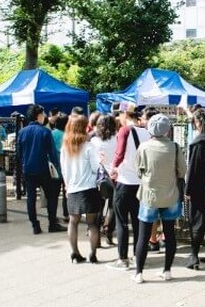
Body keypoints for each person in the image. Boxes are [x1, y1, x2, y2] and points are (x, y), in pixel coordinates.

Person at [131, 114, 187, 283]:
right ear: (167, 129)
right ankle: (167, 270)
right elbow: (182, 171)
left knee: (143, 235)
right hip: (170, 195)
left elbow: (138, 171)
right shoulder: (175, 147)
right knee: (169, 233)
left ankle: (139, 273)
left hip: (149, 195)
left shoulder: (144, 147)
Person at [108, 107, 150, 270]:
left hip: (125, 182)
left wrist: (113, 167)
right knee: (138, 221)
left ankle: (122, 259)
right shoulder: (146, 132)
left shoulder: (125, 130)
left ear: (125, 115)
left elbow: (119, 153)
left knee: (122, 222)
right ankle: (136, 256)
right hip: (140, 183)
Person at [17, 104, 67, 235]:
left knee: (31, 198)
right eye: (43, 114)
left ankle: (35, 225)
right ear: (39, 115)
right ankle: (52, 223)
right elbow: (52, 154)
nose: (45, 116)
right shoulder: (45, 132)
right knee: (52, 196)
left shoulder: (22, 132)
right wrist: (57, 168)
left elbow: (19, 153)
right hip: (43, 169)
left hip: (28, 169)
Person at [60, 114, 102, 263]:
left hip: (72, 188)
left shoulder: (65, 147)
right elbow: (96, 168)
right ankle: (92, 253)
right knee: (92, 223)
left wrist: (66, 186)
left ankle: (74, 253)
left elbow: (63, 169)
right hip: (89, 188)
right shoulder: (89, 147)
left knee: (73, 222)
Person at [184, 108, 205, 269]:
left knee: (197, 222)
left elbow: (193, 168)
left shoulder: (199, 142)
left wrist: (188, 191)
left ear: (198, 122)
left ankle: (193, 255)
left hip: (198, 188)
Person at [91, 114, 118, 247]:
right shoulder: (117, 138)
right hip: (114, 176)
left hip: (99, 177)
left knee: (98, 208)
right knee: (113, 207)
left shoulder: (94, 141)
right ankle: (109, 233)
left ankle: (96, 240)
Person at [51, 113, 69, 219]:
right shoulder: (68, 135)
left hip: (55, 168)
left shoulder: (52, 134)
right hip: (66, 168)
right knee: (67, 192)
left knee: (54, 194)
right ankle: (66, 214)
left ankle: (53, 216)